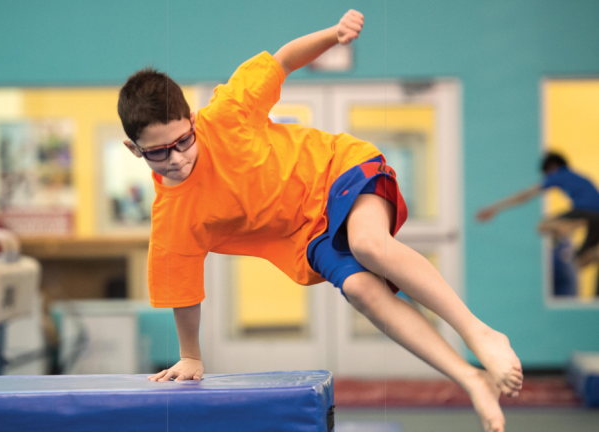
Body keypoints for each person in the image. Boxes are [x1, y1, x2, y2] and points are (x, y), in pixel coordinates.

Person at [118, 10, 521, 432]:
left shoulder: (228, 113)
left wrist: (334, 34)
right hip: (308, 233)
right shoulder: (172, 216)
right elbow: (185, 294)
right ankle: (471, 378)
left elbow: (284, 59)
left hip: (337, 169)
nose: (178, 157)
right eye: (159, 152)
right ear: (134, 149)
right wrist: (191, 356)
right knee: (363, 290)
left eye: (184, 141)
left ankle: (481, 335)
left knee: (368, 244)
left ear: (194, 122)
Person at [477, 152, 599, 295]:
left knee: (542, 225)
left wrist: (494, 208)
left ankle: (564, 229)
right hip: (595, 217)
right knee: (579, 261)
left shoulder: (557, 174)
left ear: (552, 167)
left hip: (585, 213)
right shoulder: (579, 177)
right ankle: (593, 253)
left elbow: (524, 196)